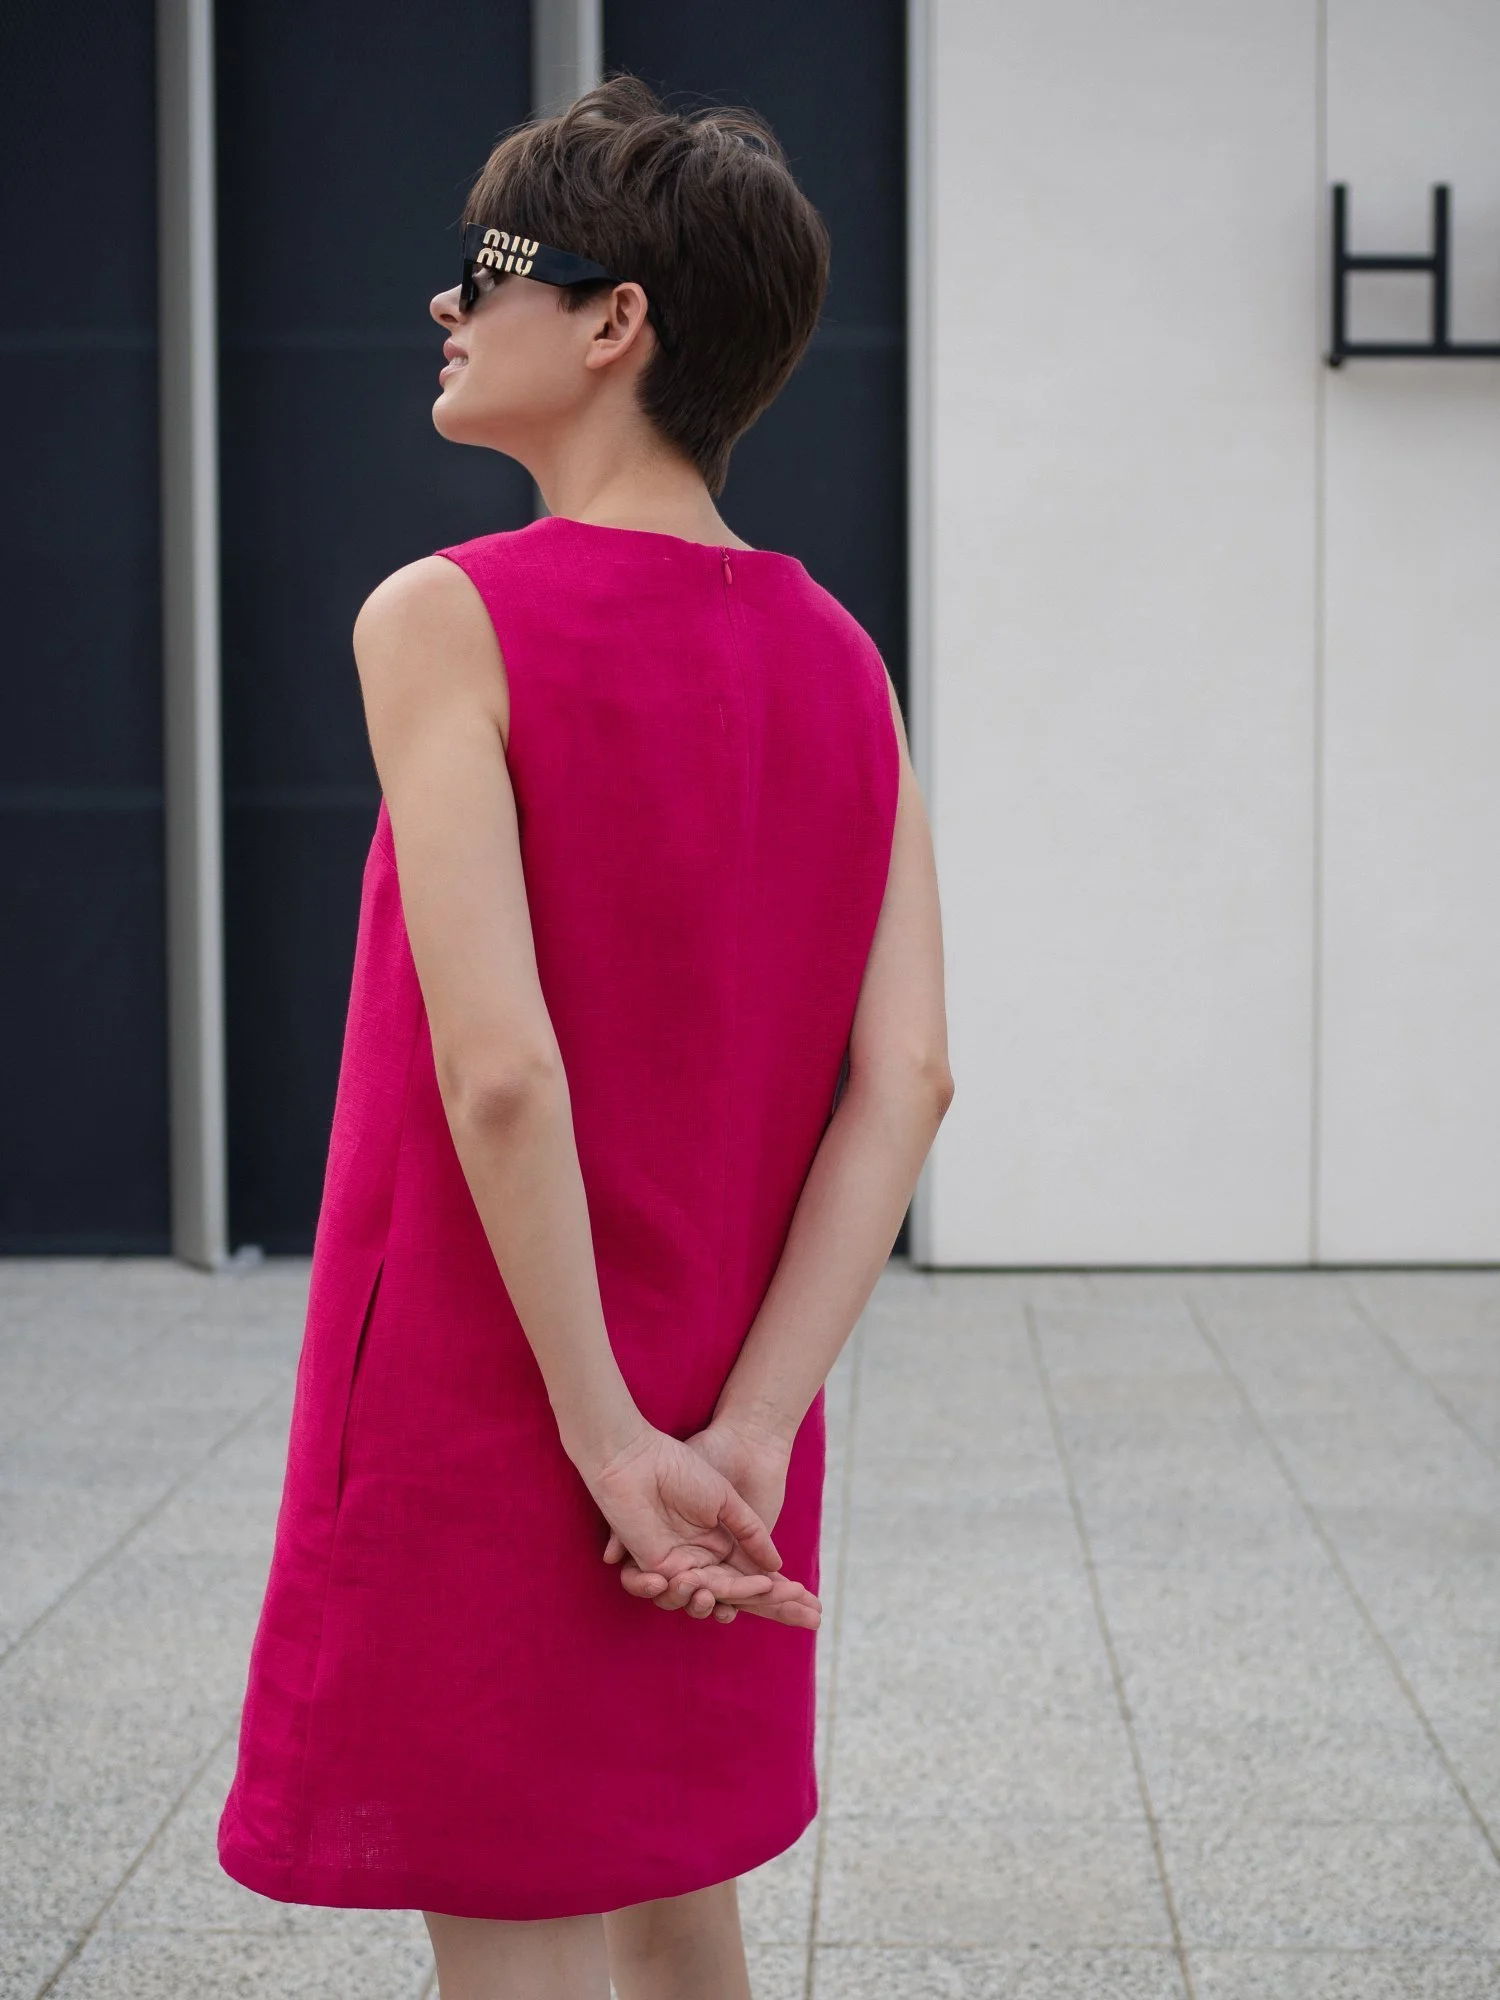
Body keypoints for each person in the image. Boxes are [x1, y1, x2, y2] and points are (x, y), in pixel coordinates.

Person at [217, 72, 952, 2000]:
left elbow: (501, 1070)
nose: (447, 305)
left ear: (616, 318)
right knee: (676, 1897)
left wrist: (603, 1439)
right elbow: (908, 1082)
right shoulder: (844, 658)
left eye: (488, 270)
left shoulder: (444, 616)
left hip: (498, 1389)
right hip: (720, 1411)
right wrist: (747, 1429)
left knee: (521, 1927)